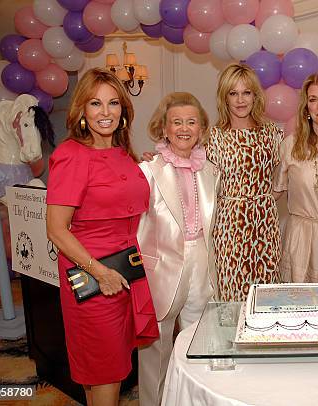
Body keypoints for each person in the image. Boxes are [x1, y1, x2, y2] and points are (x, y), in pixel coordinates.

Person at [46, 68, 158, 406]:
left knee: (108, 371)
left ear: (124, 110)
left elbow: (122, 196)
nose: (105, 112)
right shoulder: (71, 156)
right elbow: (55, 229)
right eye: (96, 103)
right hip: (93, 277)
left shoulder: (124, 154)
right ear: (82, 110)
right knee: (105, 372)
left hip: (125, 271)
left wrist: (147, 167)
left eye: (113, 103)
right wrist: (100, 273)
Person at [136, 92, 217, 406]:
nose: (185, 128)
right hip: (162, 270)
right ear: (164, 128)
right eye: (177, 122)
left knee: (199, 339)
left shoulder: (209, 169)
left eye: (191, 122)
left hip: (201, 262)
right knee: (157, 348)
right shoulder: (148, 170)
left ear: (200, 128)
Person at [207, 63, 283, 301]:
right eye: (233, 93)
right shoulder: (212, 136)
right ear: (224, 98)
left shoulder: (272, 133)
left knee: (267, 296)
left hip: (265, 225)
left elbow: (283, 179)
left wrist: (263, 201)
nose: (240, 100)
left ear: (255, 96)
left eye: (246, 92)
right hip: (228, 227)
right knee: (232, 296)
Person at [273, 73, 318, 283]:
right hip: (301, 239)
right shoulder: (290, 146)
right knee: (299, 307)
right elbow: (275, 193)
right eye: (313, 100)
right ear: (306, 108)